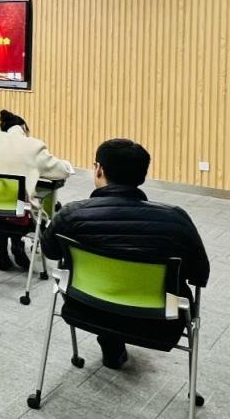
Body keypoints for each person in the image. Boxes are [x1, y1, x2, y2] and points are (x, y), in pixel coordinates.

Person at [42, 139, 209, 370]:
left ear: (99, 170)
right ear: (142, 176)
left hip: (85, 307)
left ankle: (111, 342)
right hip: (159, 320)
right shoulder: (176, 220)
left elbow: (50, 252)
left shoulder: (71, 214)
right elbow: (199, 274)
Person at [0, 109, 74, 270]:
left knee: (5, 199)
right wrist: (66, 164)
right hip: (19, 215)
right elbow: (61, 171)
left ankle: (3, 250)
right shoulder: (35, 146)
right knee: (20, 204)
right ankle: (17, 244)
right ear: (24, 127)